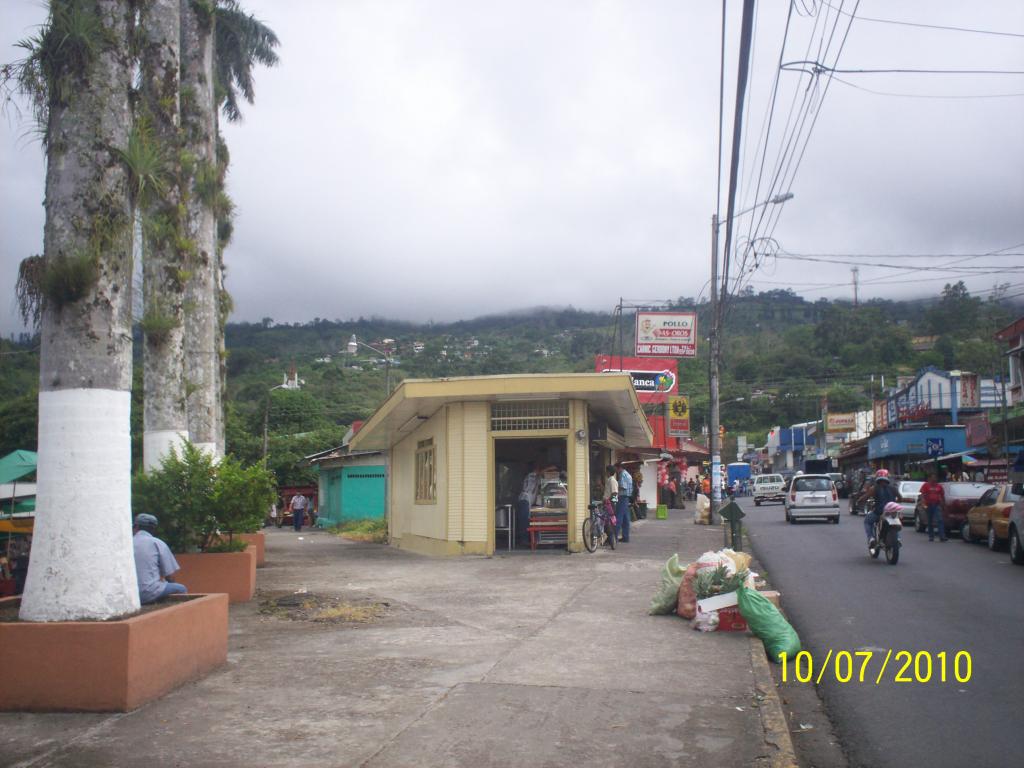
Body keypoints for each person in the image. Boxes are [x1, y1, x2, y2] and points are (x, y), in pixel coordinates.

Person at [133, 513, 187, 605]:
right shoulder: (157, 543)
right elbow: (170, 576)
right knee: (181, 588)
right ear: (153, 529)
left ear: (136, 526)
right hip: (149, 592)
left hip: (131, 594)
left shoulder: (126, 544)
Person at [857, 469, 897, 546]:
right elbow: (900, 498)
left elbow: (865, 497)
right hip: (892, 512)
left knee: (867, 521)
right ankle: (898, 538)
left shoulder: (875, 488)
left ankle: (871, 538)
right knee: (895, 523)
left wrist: (859, 500)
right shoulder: (893, 488)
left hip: (880, 512)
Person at [516, 462, 540, 548]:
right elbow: (539, 473)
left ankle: (527, 540)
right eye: (537, 468)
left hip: (528, 502)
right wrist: (550, 468)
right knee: (524, 521)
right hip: (524, 501)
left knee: (527, 521)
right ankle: (523, 541)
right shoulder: (530, 476)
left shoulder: (537, 477)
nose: (538, 470)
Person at [920, 472, 947, 542]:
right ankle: (931, 536)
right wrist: (924, 504)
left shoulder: (939, 486)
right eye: (933, 477)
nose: (934, 479)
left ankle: (942, 536)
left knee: (940, 520)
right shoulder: (925, 485)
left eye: (935, 477)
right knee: (930, 521)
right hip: (928, 505)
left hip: (937, 504)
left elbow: (942, 495)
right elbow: (922, 495)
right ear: (929, 478)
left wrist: (944, 505)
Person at [616, 462, 633, 542]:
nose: (616, 471)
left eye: (616, 469)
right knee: (626, 519)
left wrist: (616, 488)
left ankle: (614, 537)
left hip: (622, 497)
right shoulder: (628, 475)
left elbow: (623, 486)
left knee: (619, 517)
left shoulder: (622, 474)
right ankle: (626, 537)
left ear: (619, 468)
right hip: (627, 498)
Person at [602, 465, 618, 542]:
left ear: (608, 472)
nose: (605, 472)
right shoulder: (609, 480)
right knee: (607, 521)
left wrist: (610, 501)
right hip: (607, 502)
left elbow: (614, 493)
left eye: (606, 471)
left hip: (610, 503)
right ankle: (610, 539)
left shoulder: (612, 480)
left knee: (610, 522)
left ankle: (612, 539)